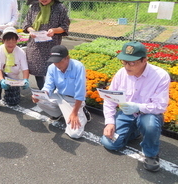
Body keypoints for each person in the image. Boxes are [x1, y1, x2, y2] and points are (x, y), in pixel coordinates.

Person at [101, 41, 170, 172]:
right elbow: (110, 99)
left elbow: (160, 106)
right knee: (109, 143)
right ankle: (135, 132)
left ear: (144, 60)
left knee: (150, 125)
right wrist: (109, 122)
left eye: (132, 63)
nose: (127, 66)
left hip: (147, 115)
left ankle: (151, 153)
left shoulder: (160, 76)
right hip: (126, 113)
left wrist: (138, 107)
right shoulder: (121, 73)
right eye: (124, 62)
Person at [31, 45, 88, 139]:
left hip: (72, 100)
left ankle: (82, 113)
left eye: (58, 61)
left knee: (75, 134)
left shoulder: (78, 67)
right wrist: (39, 96)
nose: (56, 64)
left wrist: (74, 113)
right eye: (54, 61)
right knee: (40, 100)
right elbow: (48, 86)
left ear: (67, 58)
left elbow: (80, 92)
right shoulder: (52, 68)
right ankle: (57, 114)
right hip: (58, 95)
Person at [23, 0, 70, 90]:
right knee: (38, 70)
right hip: (35, 46)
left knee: (53, 69)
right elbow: (26, 24)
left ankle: (52, 93)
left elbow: (64, 27)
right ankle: (43, 92)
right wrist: (31, 31)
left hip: (52, 45)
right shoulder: (33, 7)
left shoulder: (60, 8)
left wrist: (53, 30)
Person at [0, 26, 29, 113]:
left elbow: (25, 68)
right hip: (0, 74)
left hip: (13, 77)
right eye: (8, 41)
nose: (11, 44)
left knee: (13, 102)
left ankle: (8, 94)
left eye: (13, 41)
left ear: (16, 40)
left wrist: (25, 79)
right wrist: (2, 80)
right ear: (3, 40)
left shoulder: (20, 52)